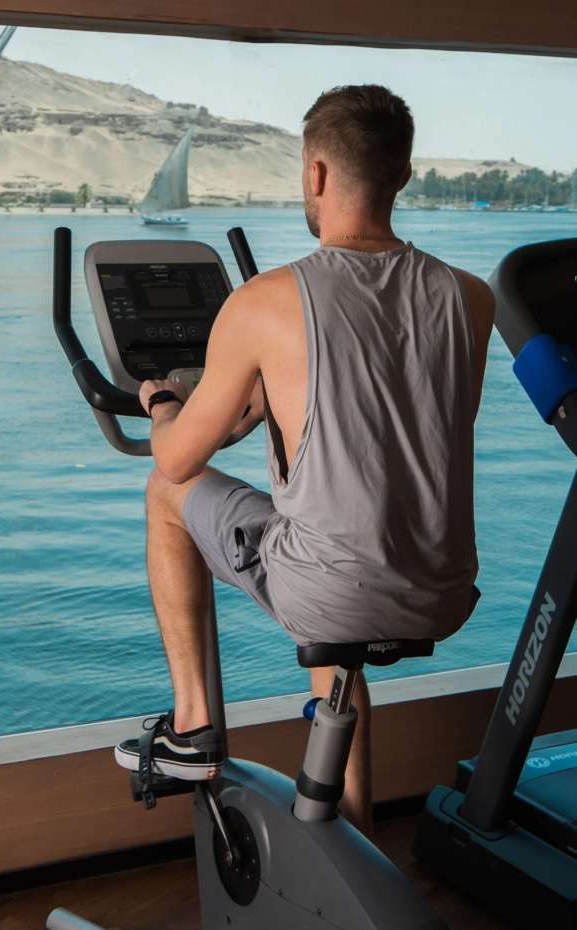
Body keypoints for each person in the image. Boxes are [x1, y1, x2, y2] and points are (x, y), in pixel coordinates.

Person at [114, 85, 494, 838]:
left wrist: (162, 401)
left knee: (164, 490)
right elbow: (404, 431)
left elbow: (182, 454)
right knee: (333, 554)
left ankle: (191, 728)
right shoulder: (471, 298)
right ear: (403, 174)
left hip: (333, 595)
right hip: (442, 593)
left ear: (314, 174)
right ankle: (353, 839)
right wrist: (273, 408)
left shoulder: (264, 301)